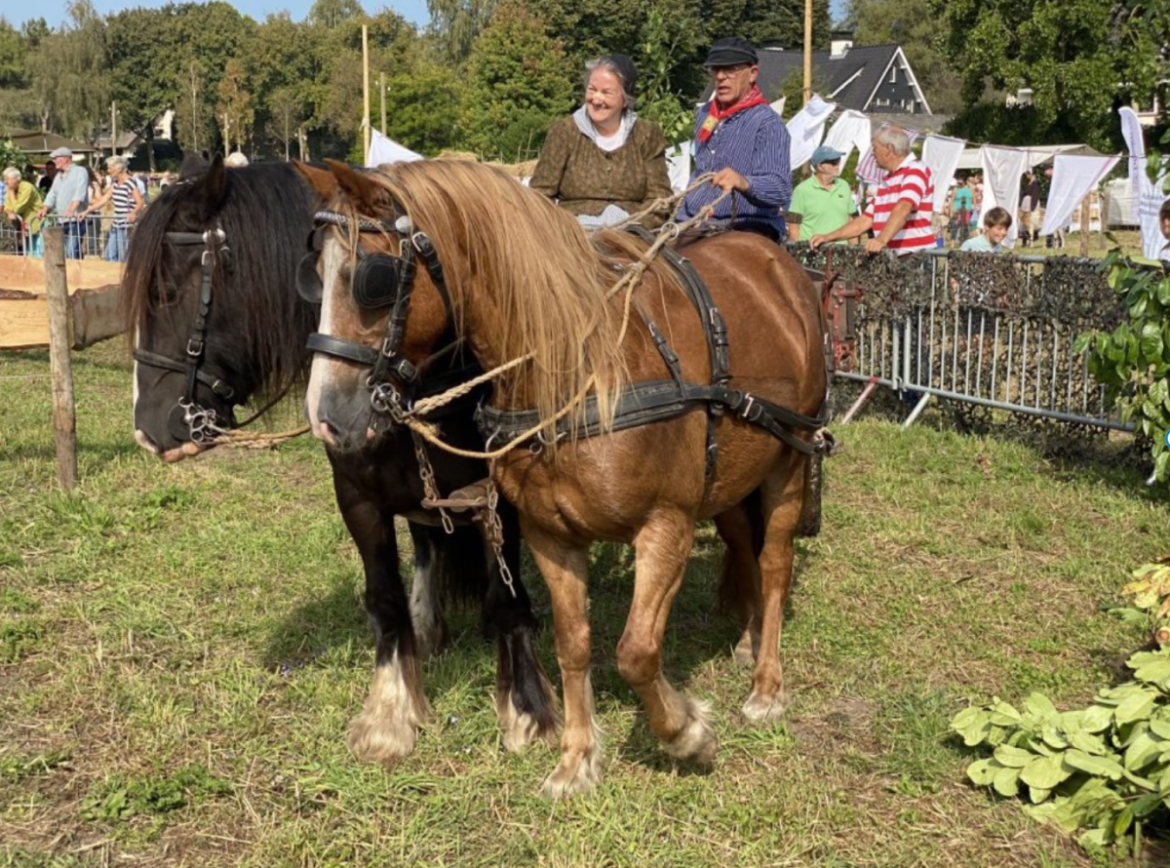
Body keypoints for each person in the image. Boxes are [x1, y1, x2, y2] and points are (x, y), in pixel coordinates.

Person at [530, 54, 672, 227]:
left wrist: (634, 225)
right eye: (592, 89)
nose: (596, 99)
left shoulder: (646, 134)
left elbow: (659, 197)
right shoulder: (564, 132)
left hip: (633, 235)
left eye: (606, 92)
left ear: (625, 99)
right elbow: (540, 195)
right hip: (575, 234)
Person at [677, 37, 792, 241]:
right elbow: (700, 170)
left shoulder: (767, 123)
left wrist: (743, 182)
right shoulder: (705, 114)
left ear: (752, 73)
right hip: (693, 221)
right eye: (715, 70)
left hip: (746, 226)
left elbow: (780, 189)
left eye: (730, 70)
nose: (721, 77)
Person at [809, 125, 934, 255]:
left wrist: (881, 239)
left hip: (915, 257)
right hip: (895, 257)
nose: (872, 153)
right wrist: (827, 237)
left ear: (889, 149)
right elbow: (865, 220)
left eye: (875, 148)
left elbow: (904, 207)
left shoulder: (915, 170)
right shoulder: (887, 180)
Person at [786, 145, 857, 243]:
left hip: (842, 253)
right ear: (819, 167)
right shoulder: (802, 190)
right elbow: (793, 225)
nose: (837, 164)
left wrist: (854, 249)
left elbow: (850, 220)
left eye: (838, 160)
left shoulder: (844, 186)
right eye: (833, 162)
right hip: (813, 253)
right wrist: (798, 252)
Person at [81, 155, 143, 262]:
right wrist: (87, 211)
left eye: (110, 168)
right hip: (116, 224)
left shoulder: (130, 183)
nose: (108, 171)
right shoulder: (115, 184)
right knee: (109, 255)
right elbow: (103, 200)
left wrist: (134, 212)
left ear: (118, 168)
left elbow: (140, 202)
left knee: (123, 255)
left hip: (126, 226)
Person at [35, 147, 89, 259]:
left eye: (56, 158)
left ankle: (75, 275)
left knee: (72, 251)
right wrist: (44, 208)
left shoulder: (80, 171)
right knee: (63, 252)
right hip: (61, 220)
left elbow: (80, 193)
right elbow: (52, 194)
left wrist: (71, 210)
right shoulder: (58, 176)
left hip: (75, 220)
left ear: (66, 159)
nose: (54, 161)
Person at [2, 167, 44, 256]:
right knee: (27, 254)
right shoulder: (9, 189)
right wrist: (9, 211)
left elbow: (18, 208)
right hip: (23, 227)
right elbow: (6, 206)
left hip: (36, 224)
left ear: (16, 178)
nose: (5, 182)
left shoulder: (27, 187)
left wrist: (12, 193)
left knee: (38, 254)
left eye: (7, 179)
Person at [1019, 169, 1041, 246]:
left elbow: (1035, 195)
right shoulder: (1028, 182)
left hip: (1031, 203)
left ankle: (1031, 239)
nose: (1027, 176)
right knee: (1024, 223)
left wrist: (1032, 207)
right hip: (1026, 203)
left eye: (1028, 174)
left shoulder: (1036, 183)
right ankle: (1024, 240)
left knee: (1031, 222)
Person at [950, 175, 973, 243]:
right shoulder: (956, 189)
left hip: (968, 210)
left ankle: (966, 241)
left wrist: (973, 208)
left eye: (960, 179)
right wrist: (951, 210)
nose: (959, 181)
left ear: (964, 181)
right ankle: (952, 242)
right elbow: (952, 200)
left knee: (966, 226)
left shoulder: (970, 189)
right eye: (958, 179)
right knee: (955, 226)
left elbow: (973, 200)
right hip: (957, 211)